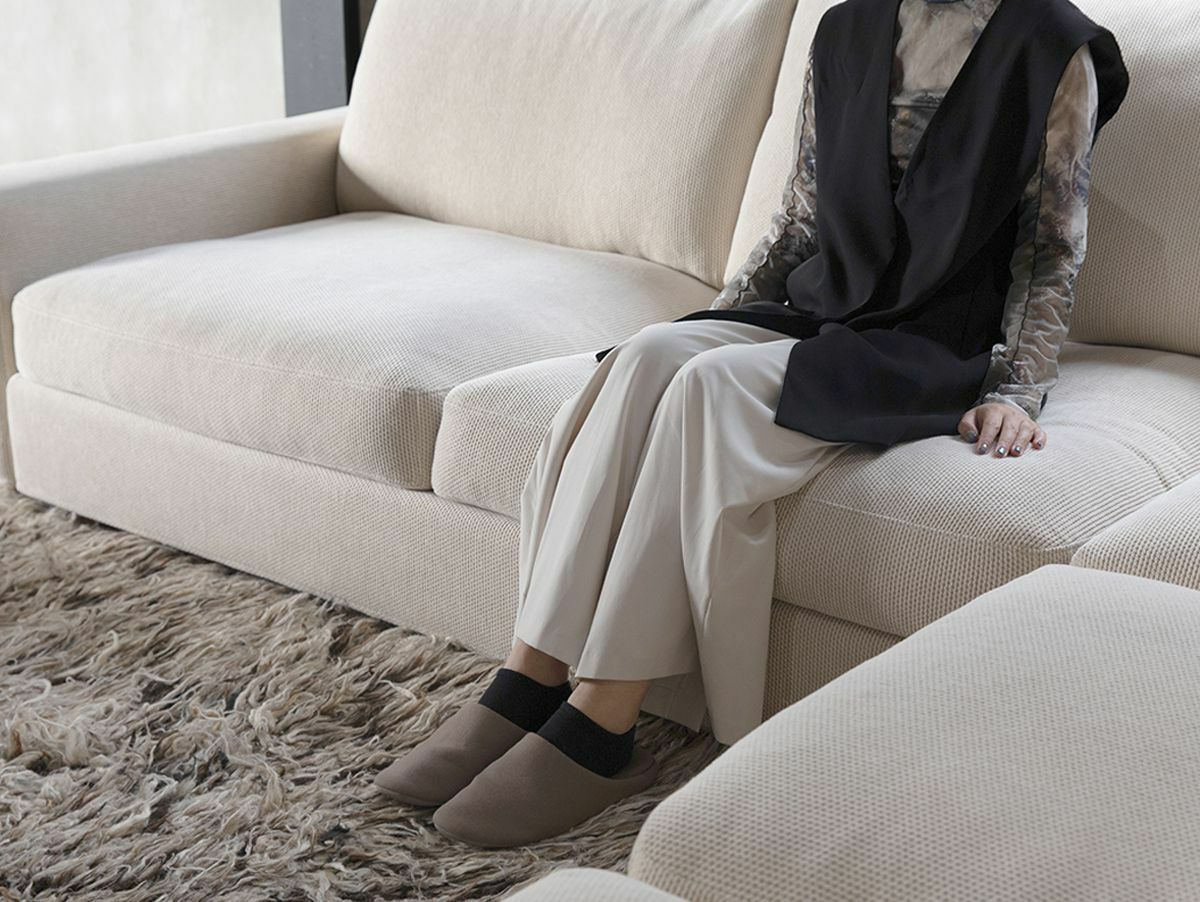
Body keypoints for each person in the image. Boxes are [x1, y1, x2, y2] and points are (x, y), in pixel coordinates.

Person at [375, 0, 1129, 848]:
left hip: (930, 345)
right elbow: (801, 219)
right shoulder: (846, 30)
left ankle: (602, 724)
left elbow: (1050, 246)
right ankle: (528, 679)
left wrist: (1017, 390)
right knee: (648, 358)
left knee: (706, 389)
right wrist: (714, 323)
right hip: (824, 307)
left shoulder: (1053, 47)